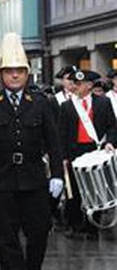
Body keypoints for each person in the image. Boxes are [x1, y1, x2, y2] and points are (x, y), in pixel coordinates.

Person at [0, 33, 63, 270]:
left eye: (20, 70)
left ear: (27, 73)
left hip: (34, 179)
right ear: (1, 74)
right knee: (6, 237)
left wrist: (57, 174)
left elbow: (53, 142)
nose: (15, 75)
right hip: (3, 180)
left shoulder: (41, 102)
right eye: (9, 70)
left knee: (40, 232)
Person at [59, 69, 117, 239]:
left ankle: (92, 228)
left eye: (79, 84)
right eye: (74, 83)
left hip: (95, 150)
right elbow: (61, 133)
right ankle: (75, 226)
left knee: (95, 190)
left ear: (90, 85)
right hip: (74, 152)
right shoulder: (67, 106)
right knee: (74, 192)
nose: (75, 87)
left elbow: (112, 126)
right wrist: (62, 157)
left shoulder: (103, 102)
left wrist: (110, 142)